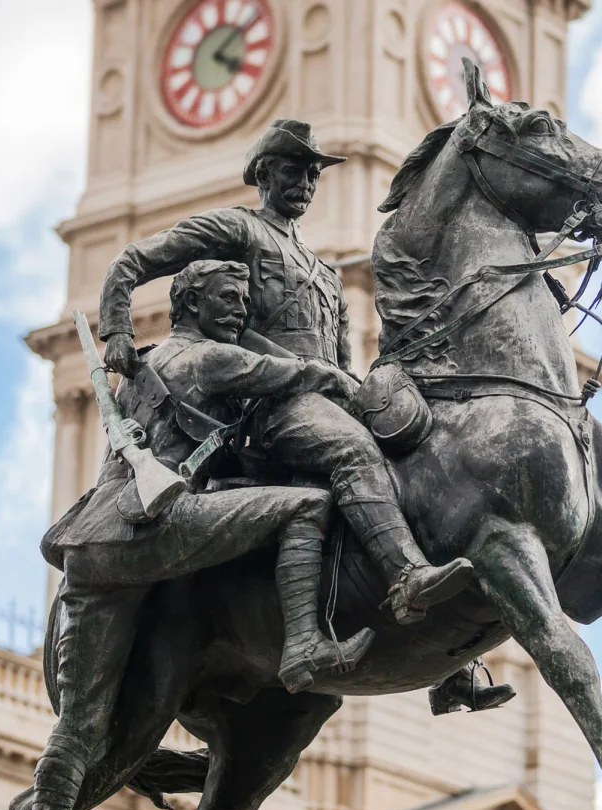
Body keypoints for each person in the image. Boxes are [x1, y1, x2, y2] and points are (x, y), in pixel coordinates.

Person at [1, 260, 373, 810]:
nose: (239, 311)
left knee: (83, 722)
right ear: (193, 304)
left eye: (242, 300)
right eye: (230, 300)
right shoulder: (203, 359)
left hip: (90, 545)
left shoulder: (143, 368)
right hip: (155, 528)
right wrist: (339, 375)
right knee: (303, 508)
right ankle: (306, 647)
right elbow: (294, 374)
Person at [98, 119, 474, 642]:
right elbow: (133, 260)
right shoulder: (239, 230)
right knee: (352, 452)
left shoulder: (326, 273)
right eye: (293, 170)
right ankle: (406, 579)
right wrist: (116, 327)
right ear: (263, 175)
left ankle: (457, 652)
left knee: (437, 461)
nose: (305, 182)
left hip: (329, 396)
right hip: (272, 403)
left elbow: (342, 362)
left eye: (313, 173)